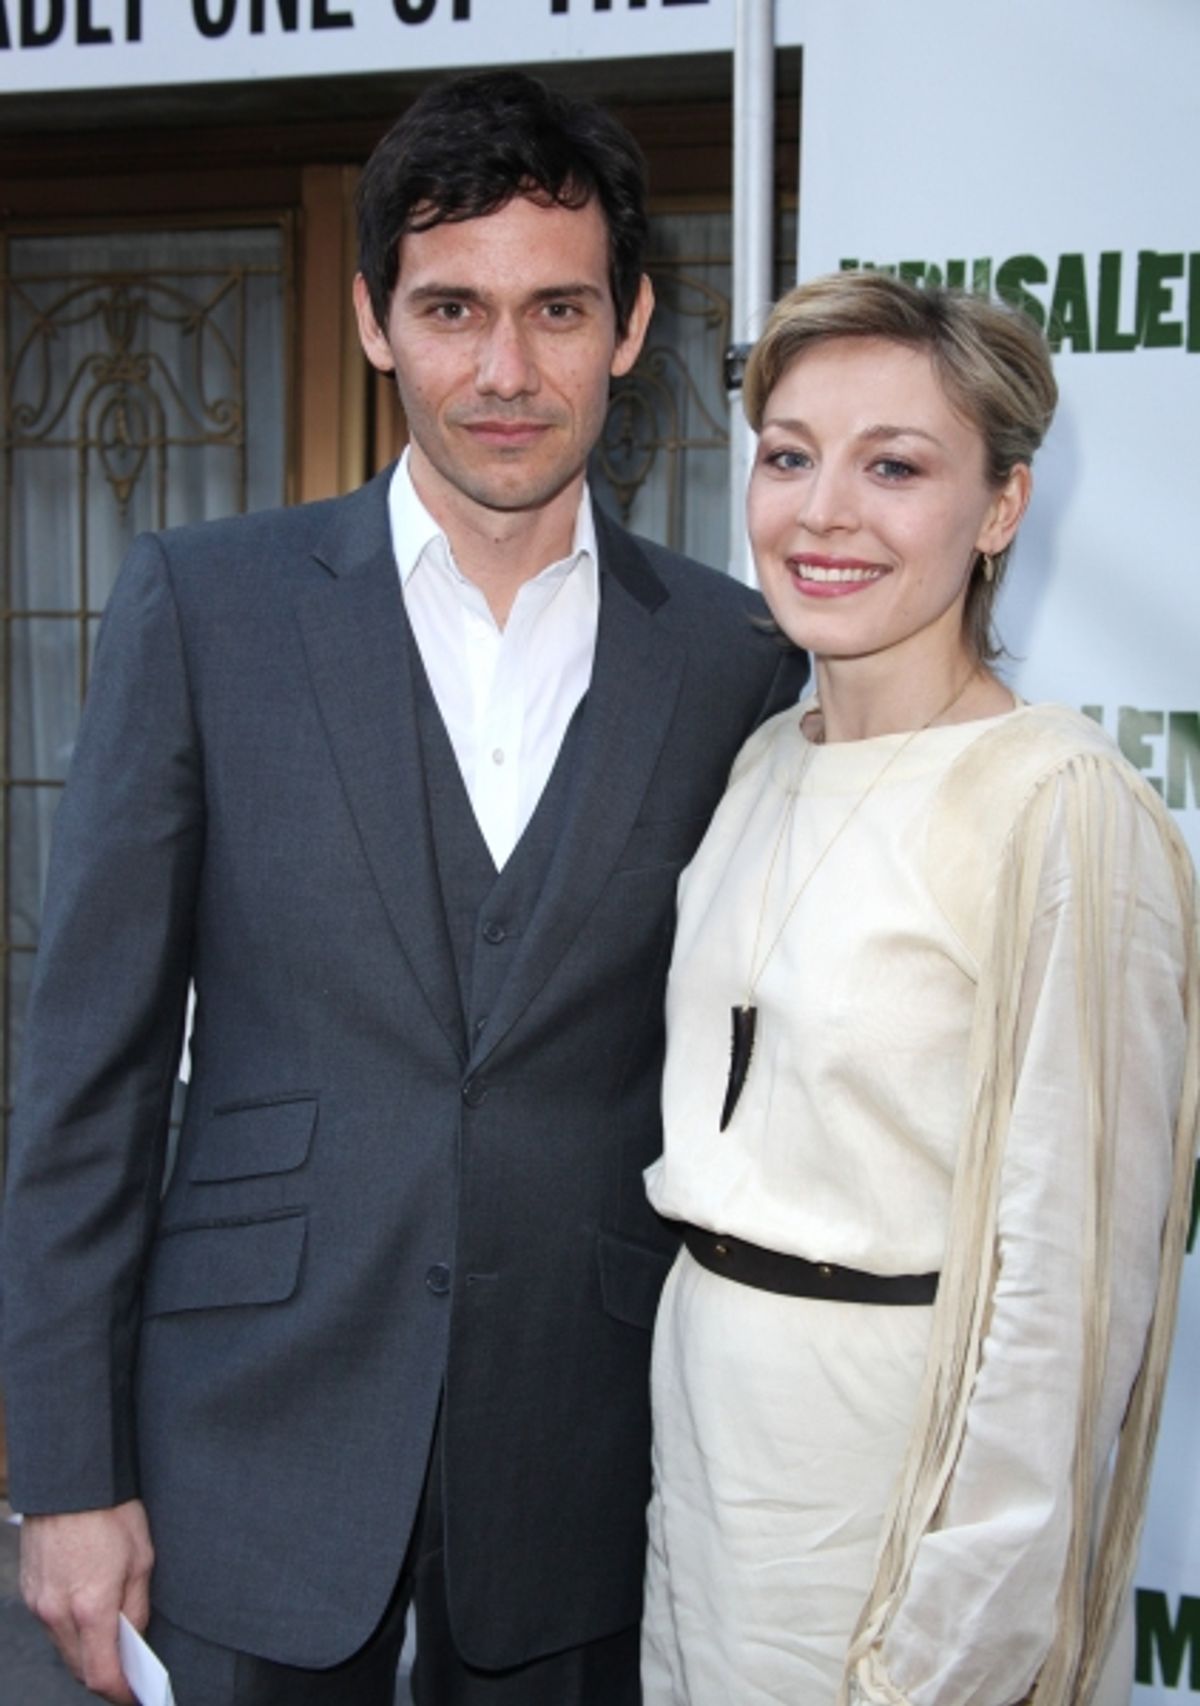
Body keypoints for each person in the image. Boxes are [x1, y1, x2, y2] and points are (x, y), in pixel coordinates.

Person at [0, 71, 805, 1706]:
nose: (504, 371)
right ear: (376, 319)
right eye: (452, 308)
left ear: (634, 323)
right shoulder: (208, 609)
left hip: (591, 1448)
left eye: (556, 308)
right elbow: (83, 1078)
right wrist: (66, 1471)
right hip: (246, 1430)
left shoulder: (736, 654)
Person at [642, 271, 1198, 1706]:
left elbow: (1070, 1309)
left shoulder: (1058, 803)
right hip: (706, 1473)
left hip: (888, 1486)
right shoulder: (765, 760)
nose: (823, 512)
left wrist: (953, 1653)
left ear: (1002, 507)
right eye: (789, 454)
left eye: (895, 465)